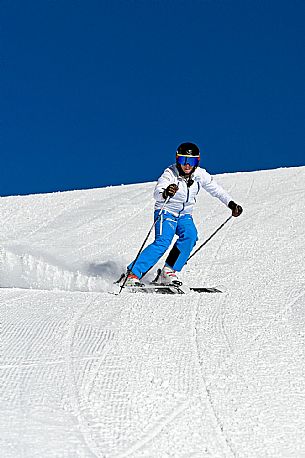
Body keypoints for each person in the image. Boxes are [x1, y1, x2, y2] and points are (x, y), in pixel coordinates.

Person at [124, 142, 243, 287]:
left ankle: (168, 272)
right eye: (183, 160)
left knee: (190, 236)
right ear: (177, 160)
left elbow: (217, 190)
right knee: (163, 242)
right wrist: (166, 192)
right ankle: (132, 273)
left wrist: (231, 204)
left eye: (191, 161)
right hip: (166, 211)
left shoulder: (200, 175)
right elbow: (157, 192)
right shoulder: (170, 173)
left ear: (196, 162)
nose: (187, 165)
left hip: (185, 215)